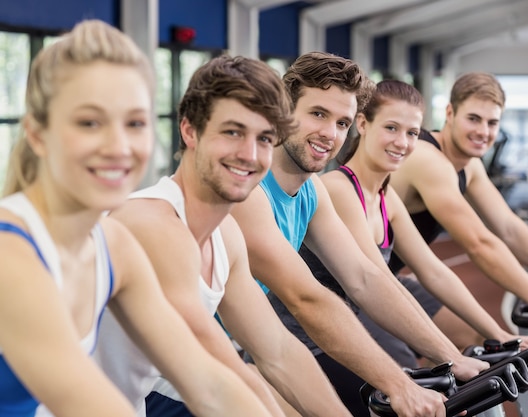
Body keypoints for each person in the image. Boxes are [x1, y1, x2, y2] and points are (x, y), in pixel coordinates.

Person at [0, 19, 272, 417]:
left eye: (135, 123)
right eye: (89, 122)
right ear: (38, 134)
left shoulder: (113, 244)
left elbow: (208, 385)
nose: (118, 146)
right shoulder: (12, 256)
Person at [231, 51, 488, 417]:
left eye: (341, 122)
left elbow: (365, 279)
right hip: (199, 368)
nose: (329, 133)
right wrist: (399, 386)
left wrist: (451, 357)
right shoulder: (251, 191)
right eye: (318, 114)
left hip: (258, 353)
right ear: (283, 111)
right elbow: (307, 299)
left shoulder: (312, 192)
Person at [93, 55, 352, 417]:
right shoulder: (153, 224)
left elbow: (276, 349)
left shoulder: (225, 234)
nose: (249, 154)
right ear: (190, 130)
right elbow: (213, 377)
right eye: (233, 132)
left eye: (264, 138)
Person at [303, 79, 528, 369]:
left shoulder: (386, 197)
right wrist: (450, 356)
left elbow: (433, 271)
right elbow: (376, 283)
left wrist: (500, 335)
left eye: (412, 133)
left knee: (476, 342)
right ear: (363, 124)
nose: (402, 143)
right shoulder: (340, 189)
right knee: (411, 373)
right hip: (312, 341)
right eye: (391, 128)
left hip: (355, 311)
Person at [389, 72, 528, 329]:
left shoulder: (469, 165)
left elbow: (509, 227)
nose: (483, 131)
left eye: (492, 123)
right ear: (450, 113)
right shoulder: (428, 159)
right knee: (417, 358)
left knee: (477, 341)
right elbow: (479, 243)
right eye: (473, 119)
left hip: (386, 276)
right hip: (348, 282)